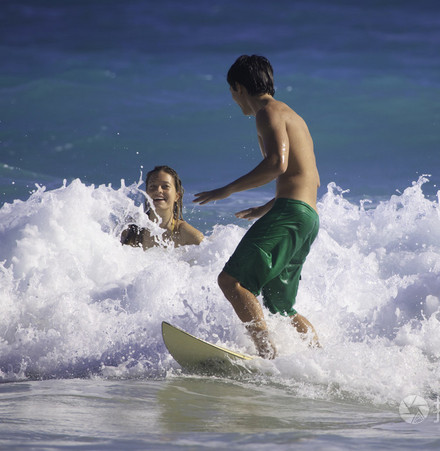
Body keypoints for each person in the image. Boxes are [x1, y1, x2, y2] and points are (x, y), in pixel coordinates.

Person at [193, 55, 320, 359]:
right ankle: (319, 359)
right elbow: (309, 179)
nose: (236, 102)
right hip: (307, 216)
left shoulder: (268, 112)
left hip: (290, 213)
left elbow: (277, 163)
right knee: (281, 306)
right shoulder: (294, 117)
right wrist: (265, 208)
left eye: (232, 93)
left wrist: (227, 190)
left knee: (231, 280)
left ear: (239, 87)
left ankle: (266, 355)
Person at [122, 165, 204, 248]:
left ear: (177, 196)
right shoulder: (132, 227)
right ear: (146, 193)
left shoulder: (188, 235)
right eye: (152, 186)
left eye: (165, 186)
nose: (158, 190)